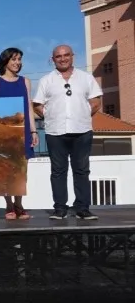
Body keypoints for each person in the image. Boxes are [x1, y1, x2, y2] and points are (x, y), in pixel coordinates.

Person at [32, 45, 103, 220]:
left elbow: (96, 101)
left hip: (82, 130)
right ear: (52, 59)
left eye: (66, 55)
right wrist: (49, 116)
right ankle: (60, 209)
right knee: (58, 171)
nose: (62, 59)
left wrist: (84, 113)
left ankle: (83, 208)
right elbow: (37, 105)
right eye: (58, 56)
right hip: (56, 132)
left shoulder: (86, 78)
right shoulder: (46, 80)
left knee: (82, 170)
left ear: (73, 56)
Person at [0, 47, 38, 220]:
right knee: (5, 170)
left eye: (19, 59)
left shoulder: (25, 82)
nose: (17, 63)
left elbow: (29, 107)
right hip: (4, 132)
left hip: (23, 131)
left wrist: (33, 130)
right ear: (5, 61)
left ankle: (19, 204)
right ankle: (9, 205)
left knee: (21, 170)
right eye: (14, 59)